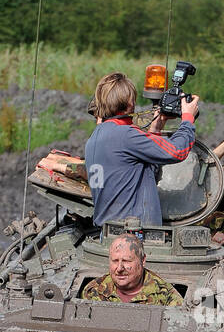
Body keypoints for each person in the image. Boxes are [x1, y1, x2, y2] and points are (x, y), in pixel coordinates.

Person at [84, 71, 198, 229]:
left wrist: (155, 128)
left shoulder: (96, 138)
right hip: (133, 233)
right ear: (130, 102)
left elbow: (136, 171)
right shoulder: (125, 135)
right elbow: (177, 151)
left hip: (110, 231)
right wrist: (187, 118)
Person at [81, 233, 183, 306]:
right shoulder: (93, 291)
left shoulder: (166, 296)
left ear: (142, 260)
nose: (120, 268)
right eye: (115, 261)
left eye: (126, 261)